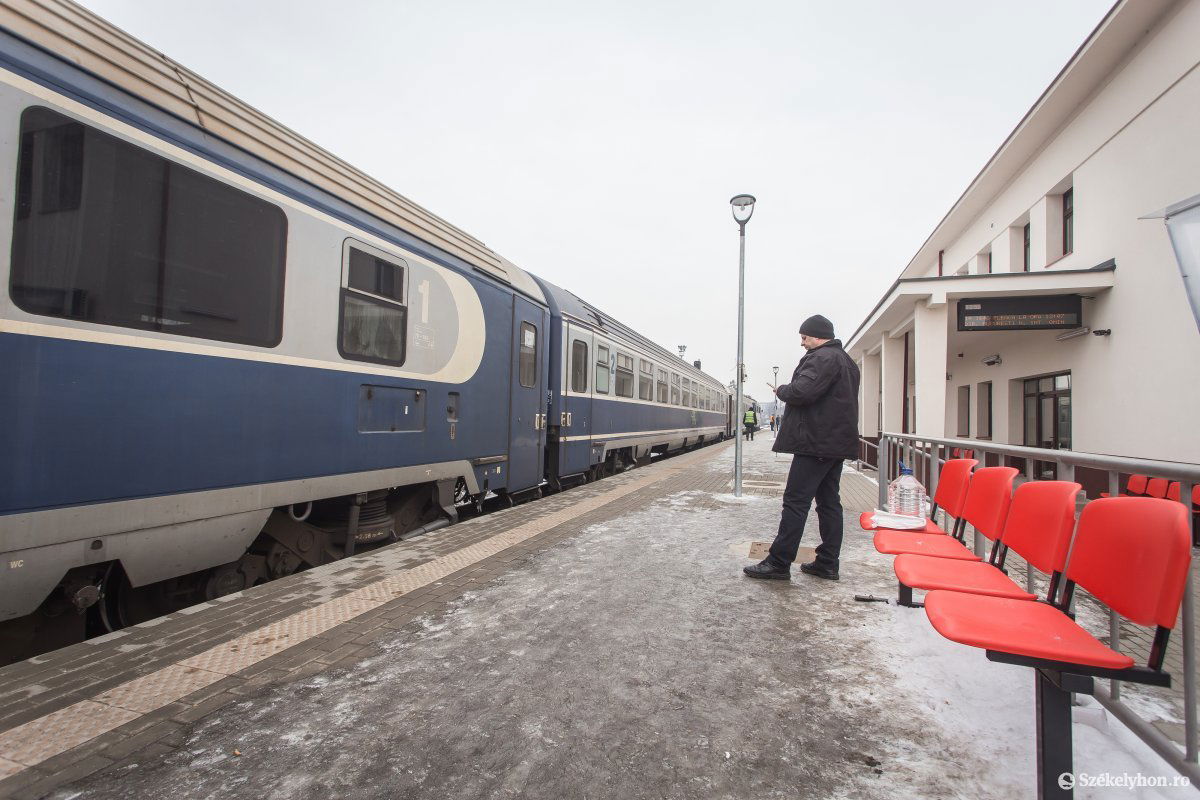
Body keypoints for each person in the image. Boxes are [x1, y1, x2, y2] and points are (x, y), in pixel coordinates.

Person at [743, 314, 860, 581]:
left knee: (796, 502)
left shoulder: (822, 358)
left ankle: (779, 562)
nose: (802, 343)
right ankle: (828, 563)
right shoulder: (847, 362)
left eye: (805, 337)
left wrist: (782, 390)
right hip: (834, 444)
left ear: (818, 336)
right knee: (829, 503)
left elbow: (802, 392)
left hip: (815, 442)